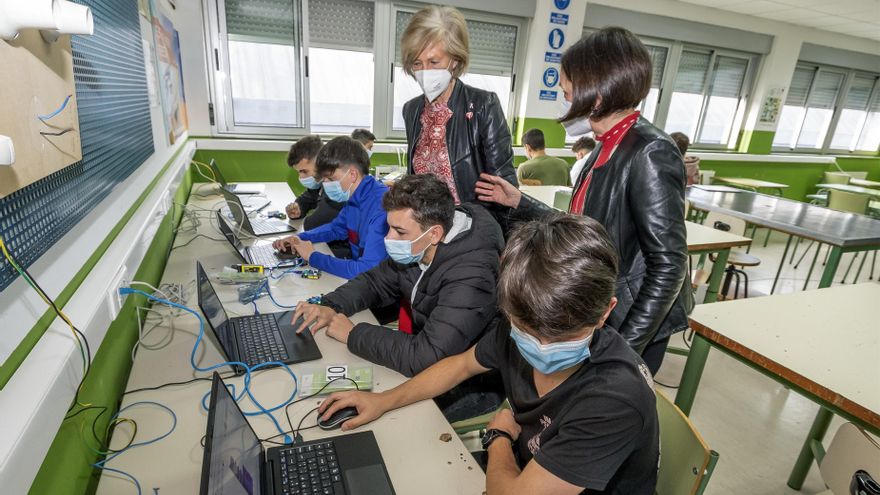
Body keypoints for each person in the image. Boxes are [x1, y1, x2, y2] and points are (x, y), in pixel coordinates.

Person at [317, 215, 659, 495]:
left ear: (605, 312)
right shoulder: (522, 316)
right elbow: (460, 365)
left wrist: (498, 437)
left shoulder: (613, 399)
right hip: (529, 471)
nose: (541, 347)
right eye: (528, 330)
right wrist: (384, 400)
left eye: (561, 335)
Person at [475, 27, 690, 375]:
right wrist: (519, 201)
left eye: (567, 92)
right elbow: (584, 228)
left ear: (598, 94)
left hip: (631, 318)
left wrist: (623, 347)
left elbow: (668, 265)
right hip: (603, 305)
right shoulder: (602, 147)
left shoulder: (651, 151)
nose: (563, 101)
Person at [293, 173, 505, 421]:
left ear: (434, 234)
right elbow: (375, 281)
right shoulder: (421, 241)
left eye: (399, 232)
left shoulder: (473, 276)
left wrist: (353, 334)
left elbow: (427, 357)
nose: (388, 238)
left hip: (471, 383)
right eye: (389, 227)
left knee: (384, 423)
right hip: (431, 350)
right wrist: (329, 305)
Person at [400, 5, 517, 204]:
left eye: (434, 61)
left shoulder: (483, 106)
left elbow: (503, 185)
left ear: (454, 60)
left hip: (473, 223)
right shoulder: (412, 110)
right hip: (427, 222)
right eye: (417, 63)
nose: (424, 71)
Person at [273, 137, 389, 280]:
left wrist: (312, 256)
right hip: (360, 279)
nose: (326, 184)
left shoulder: (381, 207)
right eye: (324, 179)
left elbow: (366, 270)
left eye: (331, 179)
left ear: (352, 174)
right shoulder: (355, 196)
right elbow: (336, 229)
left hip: (377, 286)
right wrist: (298, 238)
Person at [283, 135, 351, 258]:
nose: (301, 177)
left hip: (340, 251)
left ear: (320, 161)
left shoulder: (336, 186)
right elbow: (307, 197)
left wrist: (299, 235)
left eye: (304, 171)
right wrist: (298, 208)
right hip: (325, 244)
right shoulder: (321, 183)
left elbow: (315, 224)